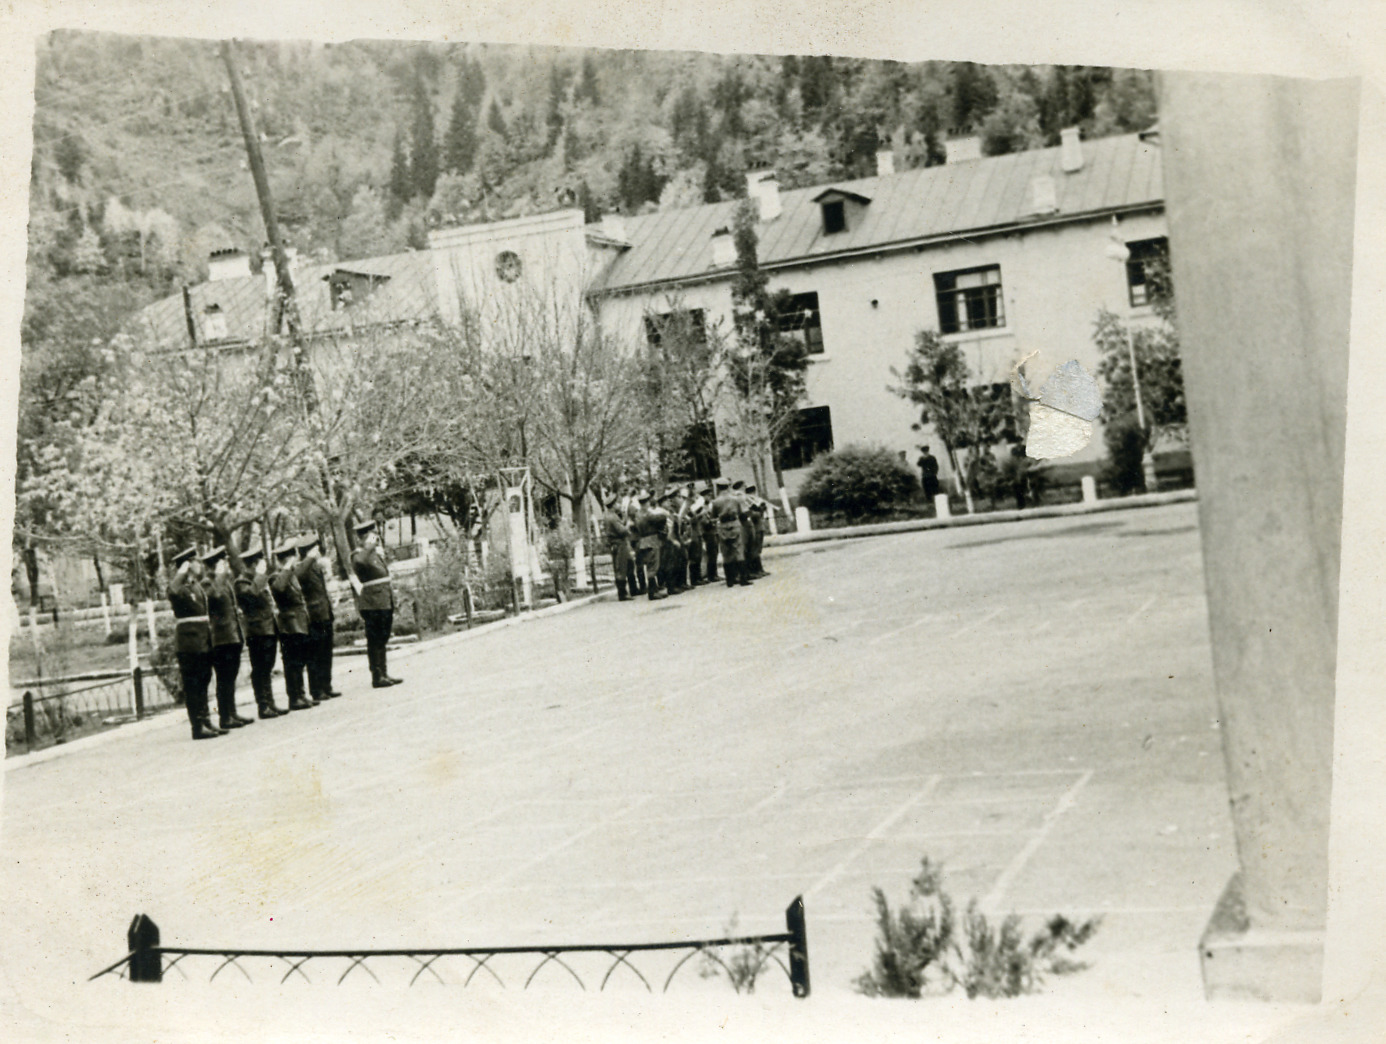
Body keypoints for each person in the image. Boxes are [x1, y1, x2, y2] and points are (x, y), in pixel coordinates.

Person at [168, 546, 223, 740]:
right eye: (196, 562)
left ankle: (206, 720)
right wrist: (181, 571)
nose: (199, 565)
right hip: (189, 642)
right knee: (193, 685)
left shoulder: (195, 585)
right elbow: (172, 591)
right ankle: (197, 726)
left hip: (202, 640)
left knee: (203, 681)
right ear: (188, 565)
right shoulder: (180, 586)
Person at [202, 546, 253, 730]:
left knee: (231, 676)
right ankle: (225, 716)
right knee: (224, 678)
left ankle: (232, 713)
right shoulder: (208, 583)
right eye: (223, 561)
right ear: (215, 564)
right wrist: (219, 575)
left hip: (232, 635)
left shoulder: (224, 581)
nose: (226, 564)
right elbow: (214, 596)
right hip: (220, 637)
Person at [233, 545, 284, 719]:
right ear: (254, 564)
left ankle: (270, 703)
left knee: (267, 667)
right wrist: (261, 575)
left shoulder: (256, 579)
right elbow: (253, 595)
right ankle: (263, 706)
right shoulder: (241, 582)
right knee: (260, 668)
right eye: (261, 561)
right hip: (257, 631)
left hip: (268, 628)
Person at [350, 519, 401, 687]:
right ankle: (377, 675)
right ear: (364, 537)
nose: (375, 538)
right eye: (372, 535)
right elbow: (359, 563)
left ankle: (384, 672)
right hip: (372, 602)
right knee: (375, 639)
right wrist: (368, 546)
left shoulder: (373, 553)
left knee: (383, 637)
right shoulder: (359, 553)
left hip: (383, 599)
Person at [270, 541, 316, 710]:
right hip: (289, 624)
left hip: (299, 620)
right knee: (292, 662)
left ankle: (301, 694)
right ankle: (294, 697)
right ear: (285, 560)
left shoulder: (291, 574)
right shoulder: (276, 576)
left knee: (300, 660)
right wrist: (287, 567)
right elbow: (280, 588)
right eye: (291, 558)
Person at [296, 534, 341, 701]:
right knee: (315, 654)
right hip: (314, 615)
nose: (318, 550)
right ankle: (316, 690)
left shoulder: (315, 565)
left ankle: (326, 686)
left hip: (324, 613)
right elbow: (298, 575)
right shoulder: (303, 566)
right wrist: (308, 558)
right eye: (314, 548)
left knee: (326, 652)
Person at [711, 478, 751, 587]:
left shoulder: (715, 502)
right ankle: (743, 578)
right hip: (734, 524)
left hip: (723, 527)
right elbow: (741, 512)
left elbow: (713, 516)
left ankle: (730, 580)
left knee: (726, 553)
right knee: (738, 551)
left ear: (718, 487)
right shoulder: (735, 499)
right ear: (728, 486)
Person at [602, 492, 636, 601]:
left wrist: (624, 517)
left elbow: (620, 524)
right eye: (616, 503)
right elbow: (622, 530)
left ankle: (629, 590)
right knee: (621, 567)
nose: (618, 505)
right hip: (619, 544)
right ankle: (622, 593)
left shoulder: (609, 516)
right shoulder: (612, 517)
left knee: (627, 564)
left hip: (616, 543)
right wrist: (628, 526)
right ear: (613, 505)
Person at [633, 492, 666, 601]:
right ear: (646, 502)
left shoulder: (638, 514)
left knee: (650, 565)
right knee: (653, 566)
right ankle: (652, 592)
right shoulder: (647, 514)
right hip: (651, 540)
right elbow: (661, 517)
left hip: (643, 541)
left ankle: (654, 590)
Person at [744, 484, 768, 579]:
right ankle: (756, 570)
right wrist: (759, 509)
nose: (753, 494)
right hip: (755, 527)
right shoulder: (749, 502)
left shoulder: (755, 501)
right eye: (751, 492)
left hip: (759, 527)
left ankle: (760, 569)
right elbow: (752, 515)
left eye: (753, 492)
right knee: (755, 550)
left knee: (758, 549)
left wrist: (762, 507)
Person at [701, 484, 720, 583]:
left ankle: (714, 573)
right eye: (707, 495)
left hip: (714, 530)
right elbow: (704, 521)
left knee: (715, 552)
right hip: (708, 531)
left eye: (709, 495)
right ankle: (711, 575)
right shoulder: (702, 507)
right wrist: (712, 521)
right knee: (711, 553)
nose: (709, 496)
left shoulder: (711, 505)